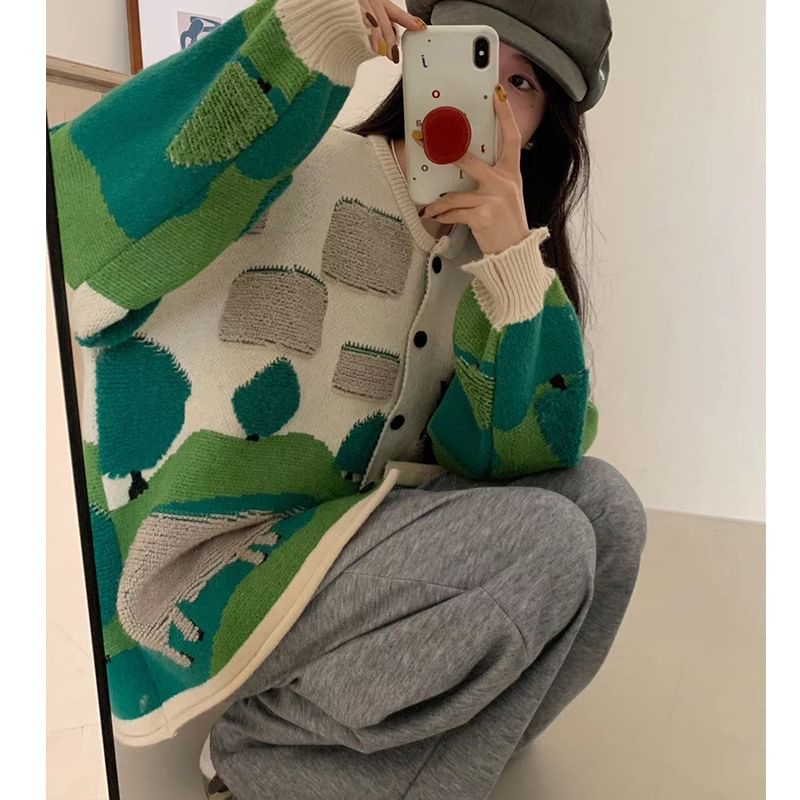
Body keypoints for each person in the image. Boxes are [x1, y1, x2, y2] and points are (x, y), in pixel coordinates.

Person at [48, 1, 646, 798]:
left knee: (606, 510)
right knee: (550, 542)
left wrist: (512, 265)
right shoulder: (294, 160)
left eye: (524, 83)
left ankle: (407, 762)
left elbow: (520, 464)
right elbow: (72, 228)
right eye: (474, 59)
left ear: (544, 128)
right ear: (418, 57)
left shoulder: (495, 263)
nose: (493, 101)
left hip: (341, 552)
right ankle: (266, 762)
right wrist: (300, 35)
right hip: (208, 575)